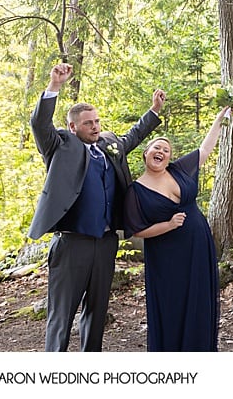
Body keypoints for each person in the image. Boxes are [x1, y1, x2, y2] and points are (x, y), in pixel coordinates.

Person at [28, 62, 165, 352]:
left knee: (97, 311)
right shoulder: (60, 145)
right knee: (62, 315)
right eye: (89, 123)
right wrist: (54, 86)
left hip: (105, 242)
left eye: (97, 122)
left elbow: (134, 137)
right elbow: (40, 124)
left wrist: (153, 111)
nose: (95, 127)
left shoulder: (109, 143)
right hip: (71, 243)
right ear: (73, 126)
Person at [123, 107, 228, 351]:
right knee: (173, 304)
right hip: (166, 256)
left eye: (166, 150)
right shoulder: (135, 191)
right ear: (146, 154)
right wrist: (167, 225)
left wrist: (218, 121)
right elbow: (137, 231)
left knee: (199, 300)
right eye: (156, 148)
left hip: (198, 246)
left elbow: (204, 150)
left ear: (170, 157)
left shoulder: (178, 171)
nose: (161, 151)